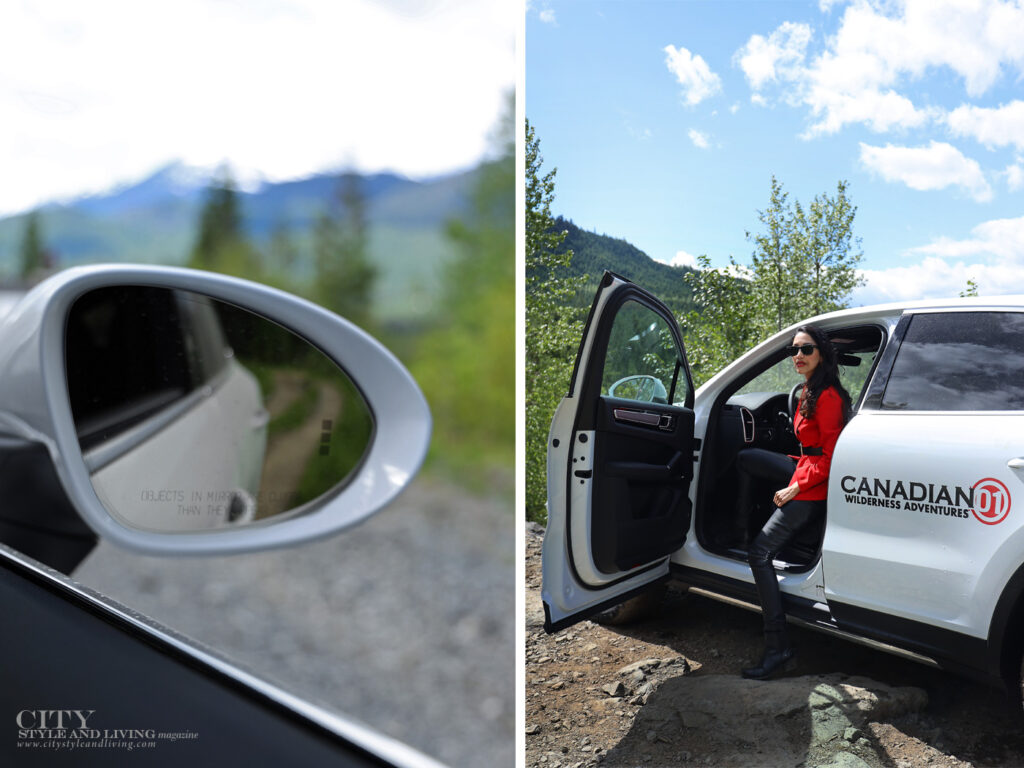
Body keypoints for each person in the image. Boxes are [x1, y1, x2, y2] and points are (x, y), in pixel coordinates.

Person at [740, 324, 852, 680]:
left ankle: (778, 649)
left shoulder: (829, 396)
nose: (798, 356)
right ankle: (733, 531)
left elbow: (832, 457)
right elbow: (812, 448)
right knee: (748, 457)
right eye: (794, 350)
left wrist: (794, 487)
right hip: (804, 469)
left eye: (806, 350)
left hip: (814, 487)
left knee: (759, 553)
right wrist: (794, 466)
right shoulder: (810, 389)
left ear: (822, 353)